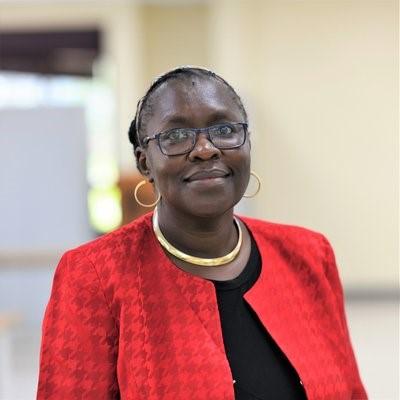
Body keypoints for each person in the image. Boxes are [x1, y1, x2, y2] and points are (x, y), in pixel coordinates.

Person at [37, 66, 367, 400]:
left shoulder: (308, 254)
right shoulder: (94, 275)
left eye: (224, 129)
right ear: (145, 163)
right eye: (176, 136)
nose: (205, 149)